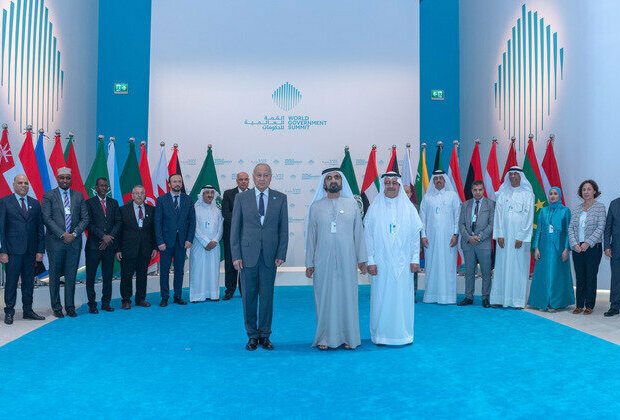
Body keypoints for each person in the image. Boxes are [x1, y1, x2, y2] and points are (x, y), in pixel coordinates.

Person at [305, 168, 367, 350]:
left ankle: (349, 337)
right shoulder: (315, 207)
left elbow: (359, 234)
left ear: (342, 182)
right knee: (324, 298)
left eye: (337, 177)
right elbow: (311, 237)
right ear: (324, 184)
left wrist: (362, 259)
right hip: (322, 261)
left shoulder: (352, 205)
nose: (333, 180)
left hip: (347, 261)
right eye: (329, 178)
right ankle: (324, 337)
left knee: (347, 297)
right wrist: (309, 263)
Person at [231, 163, 288, 351]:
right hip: (247, 256)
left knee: (267, 297)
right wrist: (236, 255)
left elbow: (283, 229)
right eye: (258, 175)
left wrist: (281, 253)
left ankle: (265, 335)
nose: (262, 178)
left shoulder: (280, 198)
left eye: (266, 175)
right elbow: (235, 229)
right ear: (253, 177)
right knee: (248, 297)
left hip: (270, 257)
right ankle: (252, 335)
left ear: (271, 177)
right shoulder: (241, 198)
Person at [365, 172, 421, 346]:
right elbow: (368, 236)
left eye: (394, 183)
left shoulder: (409, 208)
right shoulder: (375, 207)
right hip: (381, 263)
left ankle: (403, 335)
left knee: (403, 299)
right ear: (383, 185)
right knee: (381, 298)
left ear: (399, 186)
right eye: (387, 183)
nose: (390, 186)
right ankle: (381, 335)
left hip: (403, 263)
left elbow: (414, 236)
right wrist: (370, 260)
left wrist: (415, 258)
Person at [41, 167, 89, 318]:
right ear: (57, 178)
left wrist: (74, 234)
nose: (65, 180)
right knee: (54, 276)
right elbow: (46, 218)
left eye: (67, 178)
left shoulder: (79, 196)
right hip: (55, 242)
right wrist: (62, 234)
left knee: (71, 276)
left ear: (71, 179)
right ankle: (56, 307)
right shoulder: (49, 196)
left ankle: (69, 307)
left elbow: (85, 218)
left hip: (74, 242)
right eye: (62, 178)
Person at [0, 175, 45, 324]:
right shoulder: (5, 202)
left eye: (26, 183)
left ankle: (28, 311)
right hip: (12, 251)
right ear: (14, 185)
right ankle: (9, 312)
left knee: (28, 283)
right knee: (11, 282)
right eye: (20, 183)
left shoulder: (35, 203)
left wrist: (40, 250)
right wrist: (3, 251)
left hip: (31, 252)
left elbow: (40, 229)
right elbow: (1, 229)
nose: (23, 185)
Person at [490, 167, 534, 309]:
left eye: (516, 174)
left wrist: (521, 236)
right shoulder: (502, 194)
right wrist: (499, 235)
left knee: (518, 267)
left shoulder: (527, 194)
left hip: (519, 239)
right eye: (511, 174)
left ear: (521, 176)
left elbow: (529, 217)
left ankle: (517, 300)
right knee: (502, 266)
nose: (513, 176)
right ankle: (499, 298)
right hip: (504, 238)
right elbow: (498, 215)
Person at [528, 187, 574, 311]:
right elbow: (539, 231)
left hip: (559, 249)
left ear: (559, 196)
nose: (552, 196)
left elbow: (568, 232)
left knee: (556, 274)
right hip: (544, 248)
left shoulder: (565, 211)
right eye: (551, 194)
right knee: (543, 274)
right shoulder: (543, 211)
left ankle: (556, 302)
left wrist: (566, 249)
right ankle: (542, 301)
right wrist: (536, 247)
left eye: (555, 194)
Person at [154, 173, 196, 307]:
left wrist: (189, 239)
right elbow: (157, 222)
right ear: (169, 184)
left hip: (182, 242)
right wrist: (159, 241)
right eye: (175, 181)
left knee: (179, 270)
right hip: (165, 243)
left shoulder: (188, 199)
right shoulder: (161, 200)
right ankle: (164, 297)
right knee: (164, 271)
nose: (177, 184)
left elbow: (192, 222)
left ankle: (178, 296)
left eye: (179, 181)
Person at [419, 170, 460, 304]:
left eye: (440, 178)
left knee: (448, 265)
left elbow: (457, 217)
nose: (438, 180)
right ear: (433, 181)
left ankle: (447, 297)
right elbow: (422, 218)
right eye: (435, 178)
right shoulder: (427, 197)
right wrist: (423, 235)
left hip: (449, 239)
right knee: (432, 265)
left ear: (445, 180)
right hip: (431, 239)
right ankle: (431, 296)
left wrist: (455, 234)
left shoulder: (452, 196)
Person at [116, 185, 158, 309]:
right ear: (132, 195)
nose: (139, 195)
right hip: (127, 249)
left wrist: (155, 247)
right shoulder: (123, 209)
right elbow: (118, 231)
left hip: (145, 249)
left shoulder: (151, 210)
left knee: (142, 275)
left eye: (141, 193)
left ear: (145, 195)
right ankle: (126, 300)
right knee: (126, 276)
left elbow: (154, 230)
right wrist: (118, 249)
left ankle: (141, 299)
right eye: (136, 193)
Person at [84, 177, 121, 313]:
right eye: (101, 185)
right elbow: (88, 223)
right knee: (91, 276)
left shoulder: (114, 203)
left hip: (109, 247)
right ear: (96, 187)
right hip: (94, 246)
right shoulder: (89, 203)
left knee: (107, 276)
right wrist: (102, 236)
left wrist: (109, 238)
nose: (104, 188)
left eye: (106, 186)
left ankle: (106, 303)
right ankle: (92, 304)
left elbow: (118, 222)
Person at [569, 180, 605, 315]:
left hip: (593, 248)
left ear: (595, 191)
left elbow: (600, 227)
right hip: (577, 248)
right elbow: (571, 228)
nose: (586, 192)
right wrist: (574, 244)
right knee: (580, 276)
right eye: (584, 189)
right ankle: (579, 305)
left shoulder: (600, 207)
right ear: (581, 192)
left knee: (590, 276)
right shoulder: (577, 209)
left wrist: (587, 243)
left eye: (589, 189)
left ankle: (589, 305)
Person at [458, 180, 495, 308]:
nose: (477, 192)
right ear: (471, 191)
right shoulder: (465, 205)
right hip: (468, 243)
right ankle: (469, 297)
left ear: (483, 190)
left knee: (486, 272)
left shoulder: (491, 205)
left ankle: (485, 297)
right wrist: (469, 238)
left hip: (483, 243)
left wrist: (479, 237)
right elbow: (461, 224)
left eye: (480, 190)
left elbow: (492, 224)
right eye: (475, 190)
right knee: (469, 272)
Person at [189, 186, 224, 302]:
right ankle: (197, 295)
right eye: (207, 193)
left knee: (212, 269)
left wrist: (214, 240)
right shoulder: (195, 209)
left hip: (214, 245)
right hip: (199, 245)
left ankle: (213, 294)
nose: (210, 195)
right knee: (198, 269)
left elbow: (220, 228)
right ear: (202, 195)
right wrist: (206, 242)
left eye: (212, 193)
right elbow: (195, 228)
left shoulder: (217, 210)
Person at [221, 172, 249, 300]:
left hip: (248, 236)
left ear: (249, 181)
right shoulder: (228, 194)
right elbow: (226, 214)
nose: (243, 182)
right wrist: (241, 223)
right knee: (230, 263)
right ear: (237, 181)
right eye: (241, 179)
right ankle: (229, 290)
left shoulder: (253, 194)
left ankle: (245, 291)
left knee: (247, 264)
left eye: (246, 179)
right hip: (231, 235)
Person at [604, 190, 620, 317]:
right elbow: (608, 227)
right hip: (616, 248)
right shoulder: (614, 204)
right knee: (616, 278)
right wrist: (607, 246)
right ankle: (614, 306)